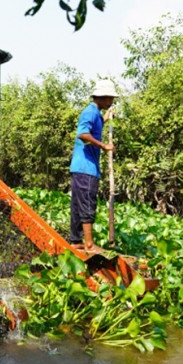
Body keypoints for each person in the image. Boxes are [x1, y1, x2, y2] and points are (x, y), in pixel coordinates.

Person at [69, 79, 117, 251]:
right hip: (86, 168)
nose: (111, 102)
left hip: (80, 167)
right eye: (110, 98)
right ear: (102, 97)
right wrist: (104, 146)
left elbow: (94, 127)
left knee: (77, 203)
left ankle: (75, 240)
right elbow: (82, 134)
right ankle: (89, 243)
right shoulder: (90, 112)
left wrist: (105, 119)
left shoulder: (95, 113)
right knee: (87, 202)